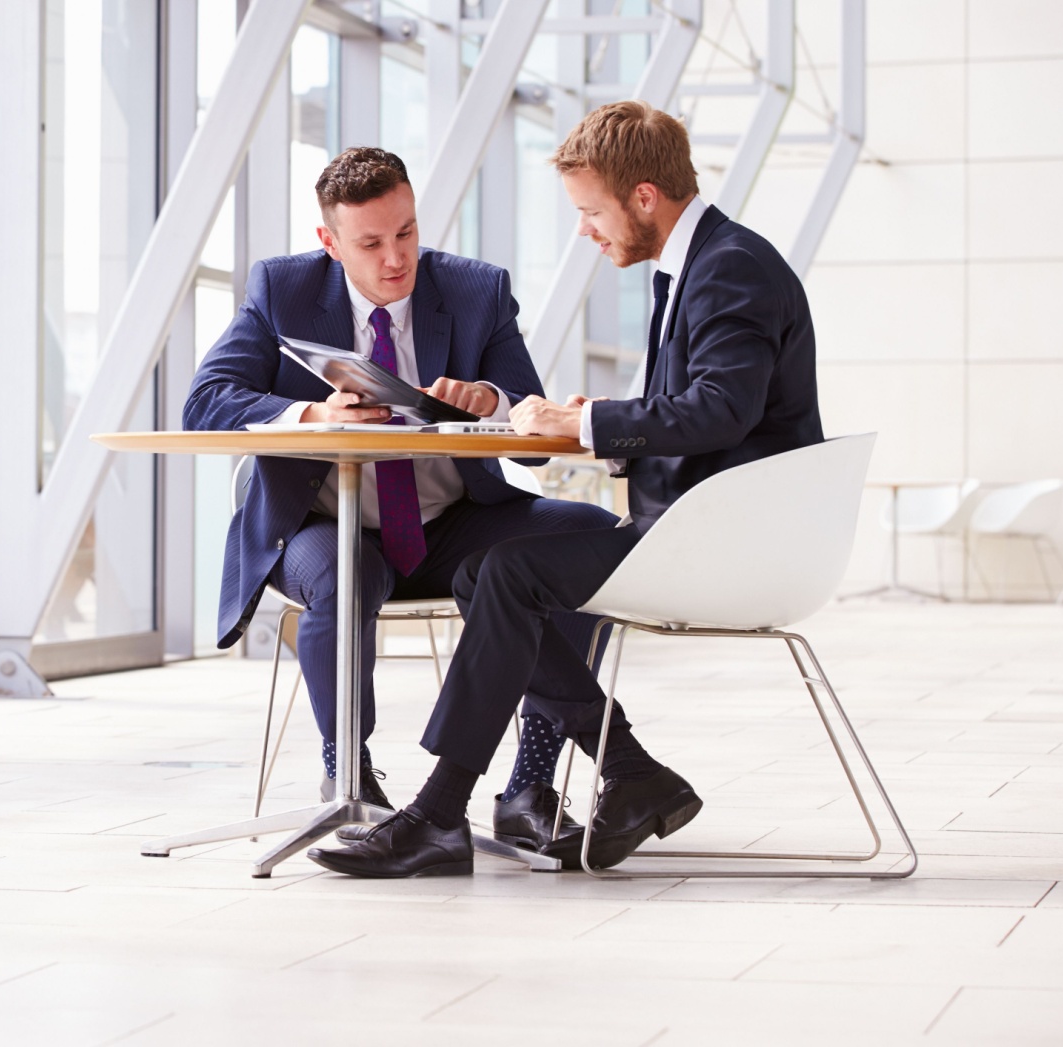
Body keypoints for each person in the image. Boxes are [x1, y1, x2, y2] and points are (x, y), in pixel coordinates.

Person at [308, 101, 825, 878]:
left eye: (591, 211)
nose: (587, 230)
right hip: (712, 527)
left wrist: (589, 427)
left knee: (507, 573)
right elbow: (708, 412)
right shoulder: (703, 263)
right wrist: (589, 422)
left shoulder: (730, 268)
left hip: (731, 543)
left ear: (643, 197)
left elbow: (722, 411)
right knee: (493, 572)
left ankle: (441, 814)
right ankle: (626, 771)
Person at [185, 146, 621, 848]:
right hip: (327, 526)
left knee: (582, 537)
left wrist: (494, 402)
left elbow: (531, 428)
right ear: (329, 243)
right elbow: (205, 402)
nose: (396, 258)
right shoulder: (284, 289)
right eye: (372, 242)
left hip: (452, 525)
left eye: (407, 233)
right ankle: (349, 776)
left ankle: (529, 785)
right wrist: (313, 415)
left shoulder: (476, 291)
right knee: (344, 575)